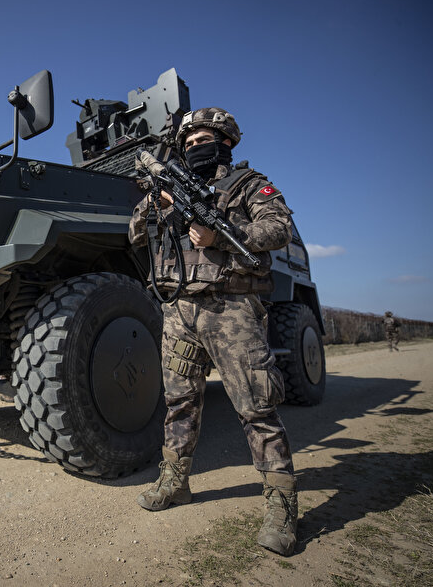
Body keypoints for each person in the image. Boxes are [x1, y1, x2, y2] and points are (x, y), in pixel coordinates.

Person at [128, 107, 299, 556]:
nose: (193, 147)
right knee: (179, 402)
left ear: (224, 141)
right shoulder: (170, 187)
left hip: (232, 310)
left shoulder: (247, 185)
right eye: (187, 143)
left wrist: (219, 236)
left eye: (202, 138)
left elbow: (279, 228)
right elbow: (133, 235)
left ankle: (281, 505)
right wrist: (156, 201)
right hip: (180, 308)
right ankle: (175, 481)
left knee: (255, 406)